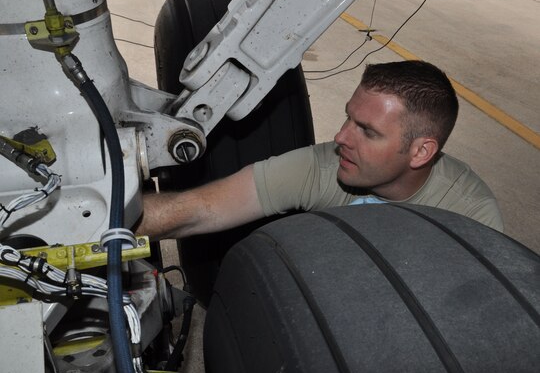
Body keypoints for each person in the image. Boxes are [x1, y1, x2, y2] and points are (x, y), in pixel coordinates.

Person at [136, 60, 503, 240]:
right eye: (348, 118)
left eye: (367, 132)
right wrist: (96, 224)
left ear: (421, 152)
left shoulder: (469, 213)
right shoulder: (329, 165)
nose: (341, 137)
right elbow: (202, 209)